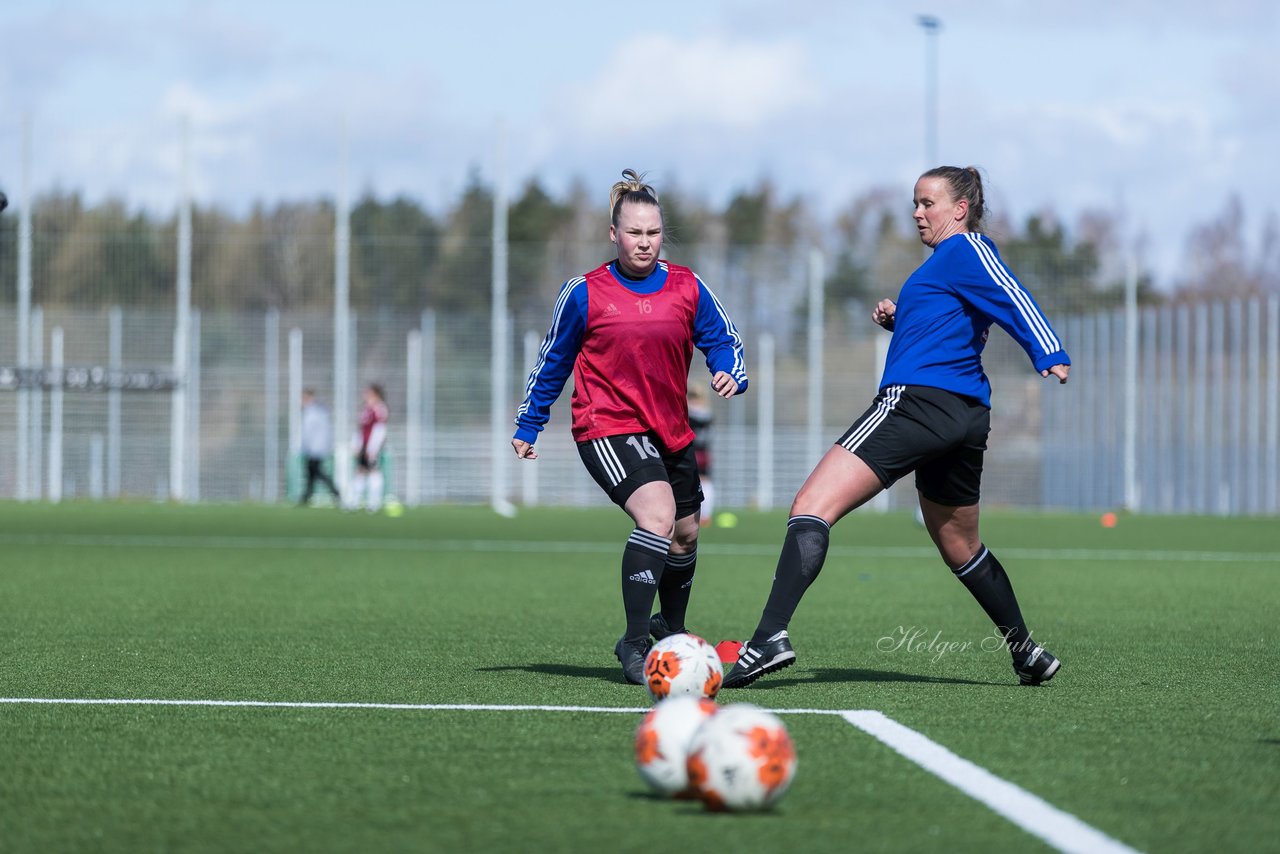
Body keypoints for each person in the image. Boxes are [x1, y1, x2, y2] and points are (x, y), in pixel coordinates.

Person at [723, 166, 1071, 689]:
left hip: (916, 404)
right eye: (915, 203)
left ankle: (770, 635)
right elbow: (951, 321)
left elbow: (1009, 291)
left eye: (928, 203)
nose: (917, 212)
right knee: (959, 544)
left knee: (811, 506)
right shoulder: (944, 264)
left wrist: (1048, 350)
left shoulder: (967, 250)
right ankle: (1025, 651)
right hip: (963, 415)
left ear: (960, 209)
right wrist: (900, 316)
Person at [512, 169, 749, 685]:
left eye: (654, 232)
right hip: (606, 424)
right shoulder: (584, 292)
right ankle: (636, 643)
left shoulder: (687, 285)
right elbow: (554, 360)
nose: (645, 242)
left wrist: (729, 368)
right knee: (659, 516)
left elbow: (723, 336)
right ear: (614, 234)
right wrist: (530, 423)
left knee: (686, 535)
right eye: (635, 233)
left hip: (670, 427)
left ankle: (674, 632)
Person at [346, 383, 389, 512]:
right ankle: (354, 501)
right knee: (360, 471)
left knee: (373, 471)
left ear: (375, 394)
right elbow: (361, 429)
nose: (365, 394)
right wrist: (356, 445)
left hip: (372, 447)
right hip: (364, 446)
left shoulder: (380, 409)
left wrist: (373, 449)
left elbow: (380, 430)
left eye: (368, 392)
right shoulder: (366, 409)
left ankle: (373, 503)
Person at [298, 388, 341, 506]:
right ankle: (306, 496)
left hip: (315, 448)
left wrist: (307, 446)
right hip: (315, 448)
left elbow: (310, 432)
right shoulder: (317, 411)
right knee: (312, 473)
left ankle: (335, 492)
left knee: (316, 472)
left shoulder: (314, 412)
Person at [686, 384, 716, 526]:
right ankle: (705, 515)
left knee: (689, 482)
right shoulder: (707, 414)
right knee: (705, 482)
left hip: (692, 451)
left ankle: (694, 514)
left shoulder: (690, 413)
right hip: (704, 452)